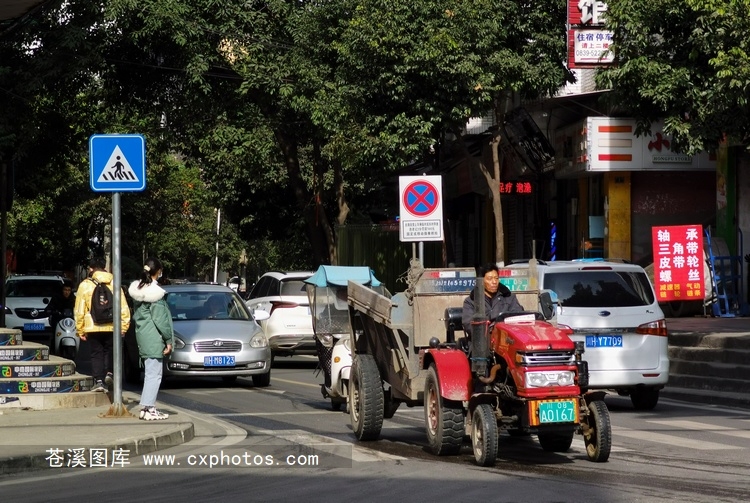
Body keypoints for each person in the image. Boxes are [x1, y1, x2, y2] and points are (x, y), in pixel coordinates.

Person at [74, 257, 131, 392]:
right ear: (105, 268)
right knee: (110, 351)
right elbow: (123, 306)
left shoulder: (85, 285)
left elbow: (79, 309)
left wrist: (80, 329)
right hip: (112, 325)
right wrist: (124, 326)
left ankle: (99, 381)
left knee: (96, 353)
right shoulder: (114, 283)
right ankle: (109, 373)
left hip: (92, 326)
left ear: (91, 269)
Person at [128, 257, 174, 421]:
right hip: (154, 337)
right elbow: (160, 320)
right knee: (154, 375)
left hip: (143, 335)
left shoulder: (138, 290)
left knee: (150, 373)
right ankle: (148, 408)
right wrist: (168, 340)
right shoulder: (155, 294)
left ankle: (147, 408)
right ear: (158, 271)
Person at [462, 262, 524, 334]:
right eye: (490, 279)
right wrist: (489, 324)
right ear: (481, 281)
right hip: (483, 338)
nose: (494, 282)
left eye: (496, 278)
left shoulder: (509, 297)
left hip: (505, 337)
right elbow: (469, 325)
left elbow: (518, 318)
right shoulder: (471, 301)